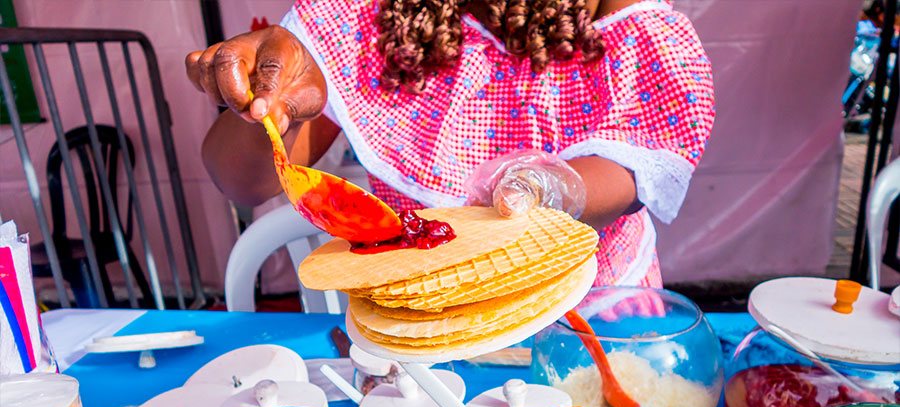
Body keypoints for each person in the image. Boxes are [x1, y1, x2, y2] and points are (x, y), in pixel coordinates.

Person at [188, 0, 714, 288]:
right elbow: (240, 181)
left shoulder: (621, 15)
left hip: (590, 329)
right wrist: (262, 108)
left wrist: (550, 188)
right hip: (421, 332)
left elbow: (628, 171)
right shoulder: (364, 15)